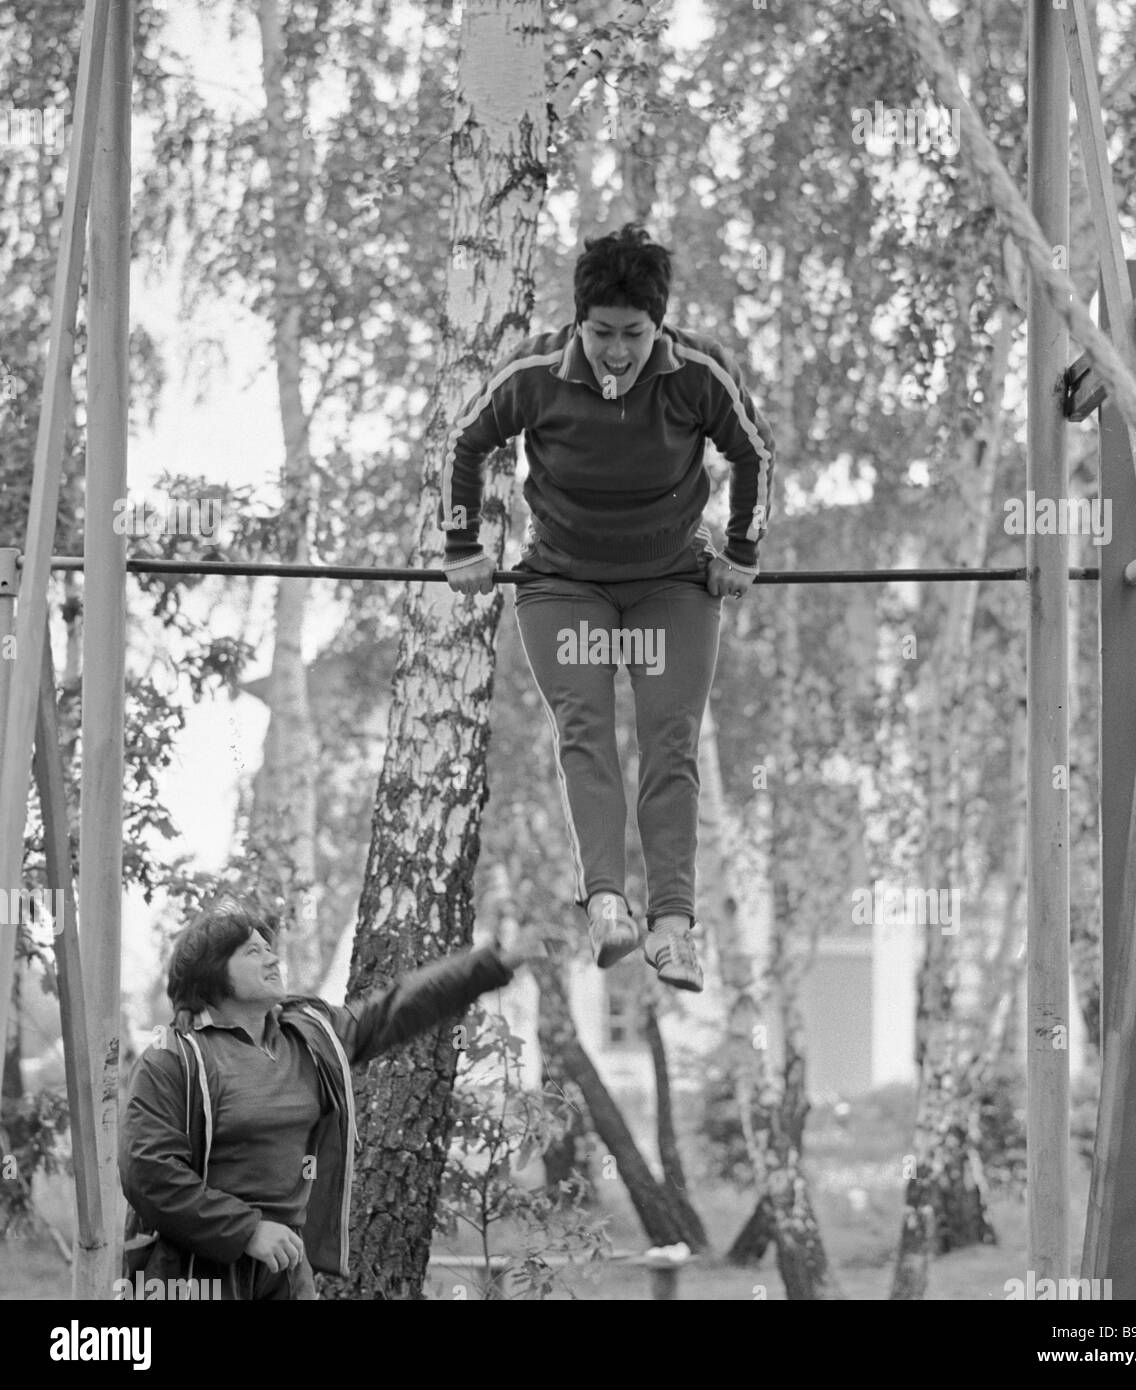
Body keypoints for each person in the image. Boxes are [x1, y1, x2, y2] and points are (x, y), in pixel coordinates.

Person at [441, 223, 775, 994]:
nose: (616, 352)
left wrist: (742, 553)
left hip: (670, 583)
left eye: (632, 334)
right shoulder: (535, 372)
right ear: (578, 321)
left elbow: (755, 451)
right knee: (584, 732)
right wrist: (462, 547)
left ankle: (672, 929)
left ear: (658, 326)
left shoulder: (699, 372)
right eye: (601, 334)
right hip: (564, 582)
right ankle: (608, 908)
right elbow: (467, 441)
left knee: (670, 741)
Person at [120, 895, 526, 1300]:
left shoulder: (310, 1035)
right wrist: (247, 1230)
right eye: (252, 951)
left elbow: (394, 1009)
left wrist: (487, 967)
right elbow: (148, 1174)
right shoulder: (172, 1059)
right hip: (192, 1274)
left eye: (269, 948)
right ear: (213, 975)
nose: (272, 959)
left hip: (286, 1267)